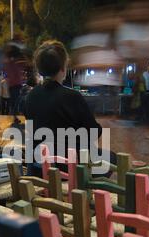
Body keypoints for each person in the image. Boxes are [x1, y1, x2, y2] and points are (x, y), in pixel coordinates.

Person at [24, 40, 113, 177]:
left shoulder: (31, 96)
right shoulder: (73, 96)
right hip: (68, 167)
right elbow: (94, 132)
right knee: (111, 158)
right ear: (63, 68)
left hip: (39, 164)